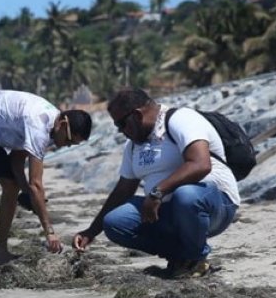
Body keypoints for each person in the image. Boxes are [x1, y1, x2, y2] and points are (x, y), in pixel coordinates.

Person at [72, 87, 239, 278]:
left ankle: (196, 259)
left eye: (121, 124)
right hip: (168, 212)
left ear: (136, 115)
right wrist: (90, 232)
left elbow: (201, 164)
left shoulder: (180, 119)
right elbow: (123, 190)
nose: (121, 131)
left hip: (214, 204)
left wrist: (157, 192)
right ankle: (179, 258)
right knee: (115, 221)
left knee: (186, 196)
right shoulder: (134, 145)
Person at [0, 90, 93, 269]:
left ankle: (1, 253)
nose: (66, 145)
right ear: (62, 123)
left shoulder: (49, 124)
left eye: (72, 145)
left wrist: (26, 193)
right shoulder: (39, 125)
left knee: (12, 185)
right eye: (68, 140)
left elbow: (16, 160)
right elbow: (36, 184)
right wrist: (49, 232)